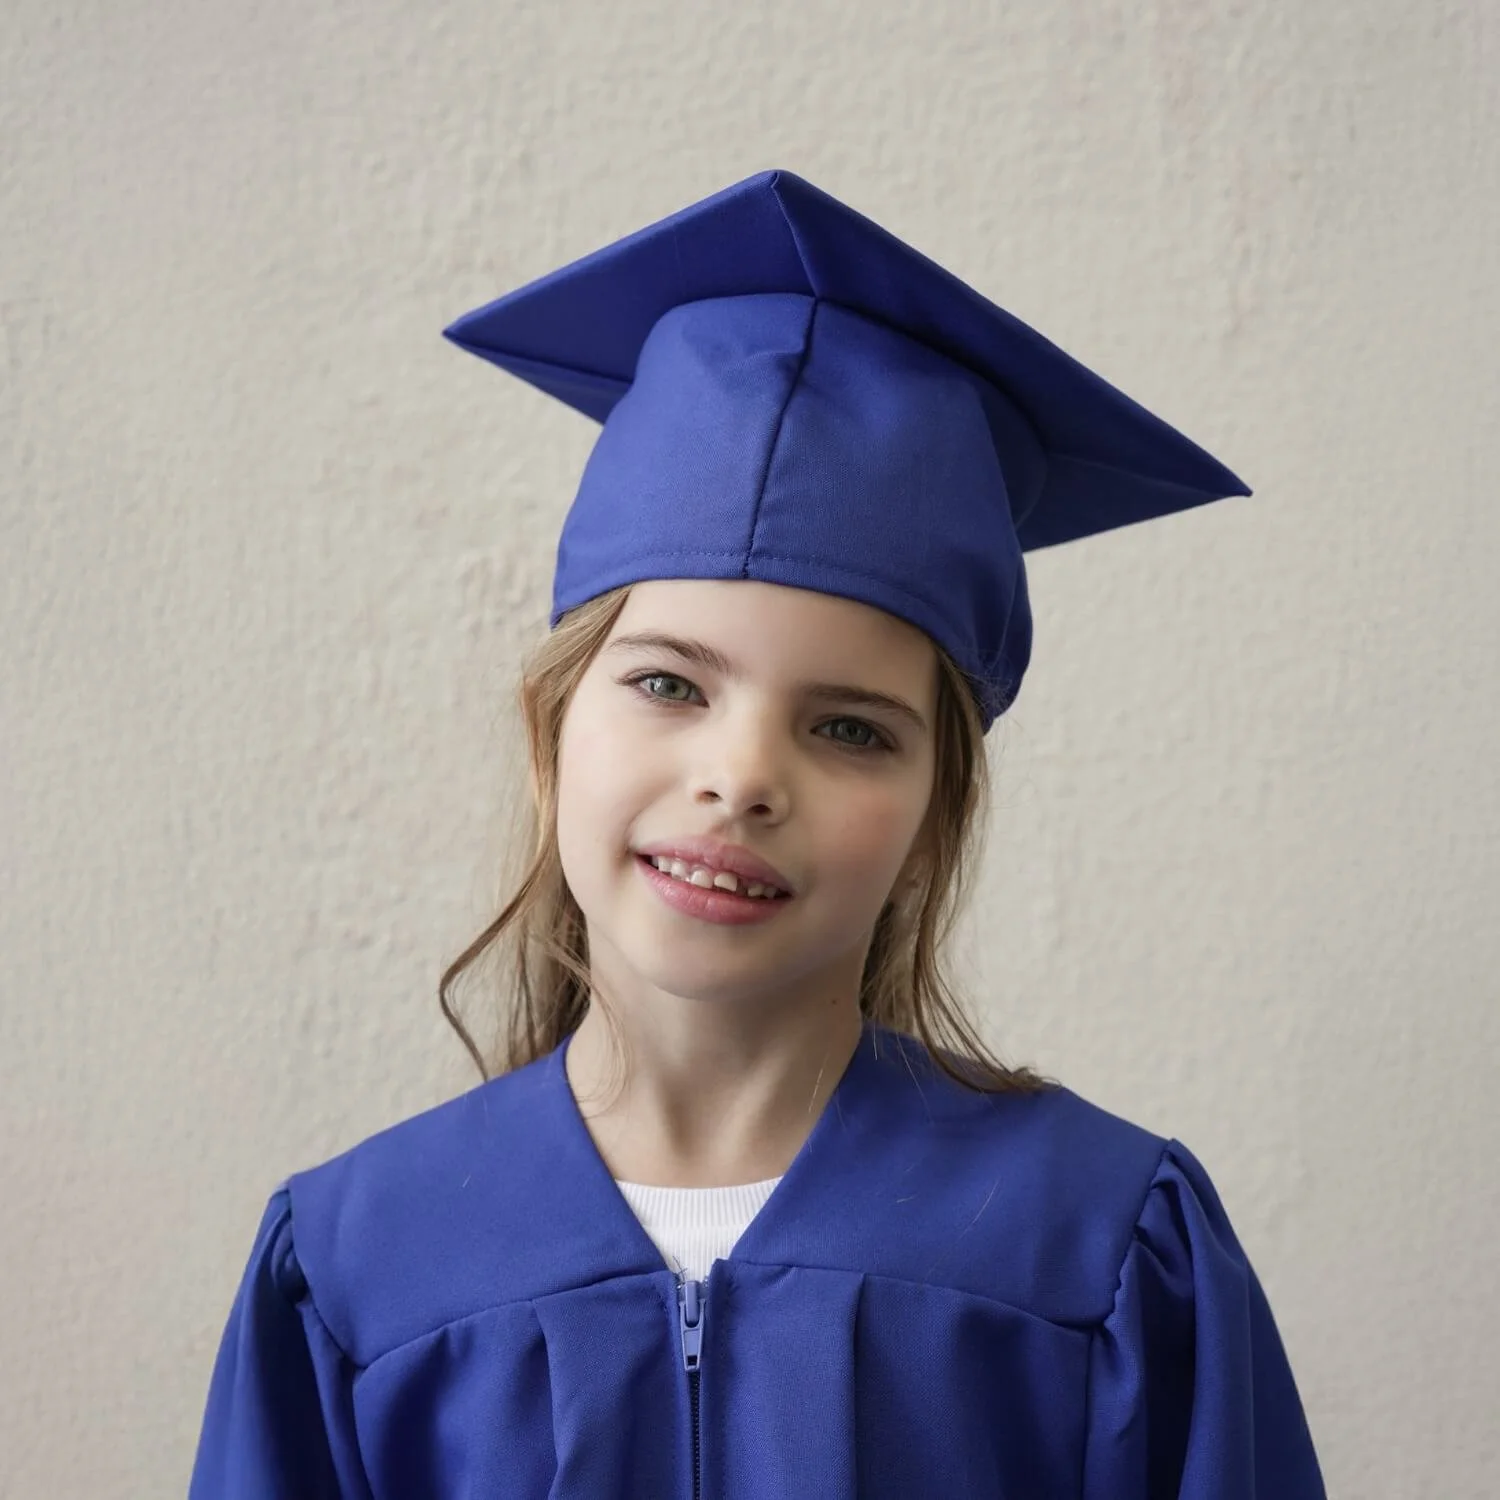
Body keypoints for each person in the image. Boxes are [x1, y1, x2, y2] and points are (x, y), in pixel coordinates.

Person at [188, 169, 1326, 1498]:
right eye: (669, 684)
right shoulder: (357, 1269)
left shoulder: (1102, 1250)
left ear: (936, 816)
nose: (740, 780)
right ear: (552, 733)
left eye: (849, 728)